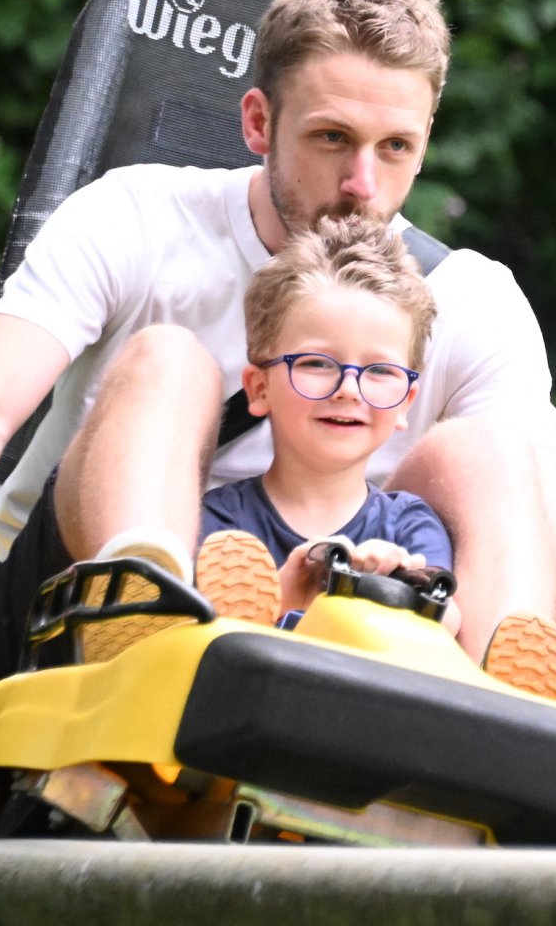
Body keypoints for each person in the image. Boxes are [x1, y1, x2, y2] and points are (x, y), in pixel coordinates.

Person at [0, 0, 556, 716]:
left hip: (357, 648)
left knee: (492, 453)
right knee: (169, 361)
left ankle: (524, 710)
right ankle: (152, 613)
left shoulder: (473, 298)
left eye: (395, 148)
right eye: (332, 138)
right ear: (259, 123)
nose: (362, 185)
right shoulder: (136, 216)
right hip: (65, 617)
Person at [196, 212, 462, 632]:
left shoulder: (408, 524)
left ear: (406, 403)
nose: (349, 389)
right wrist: (285, 593)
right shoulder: (219, 524)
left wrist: (392, 588)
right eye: (317, 363)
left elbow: (446, 621)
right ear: (260, 388)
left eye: (380, 372)